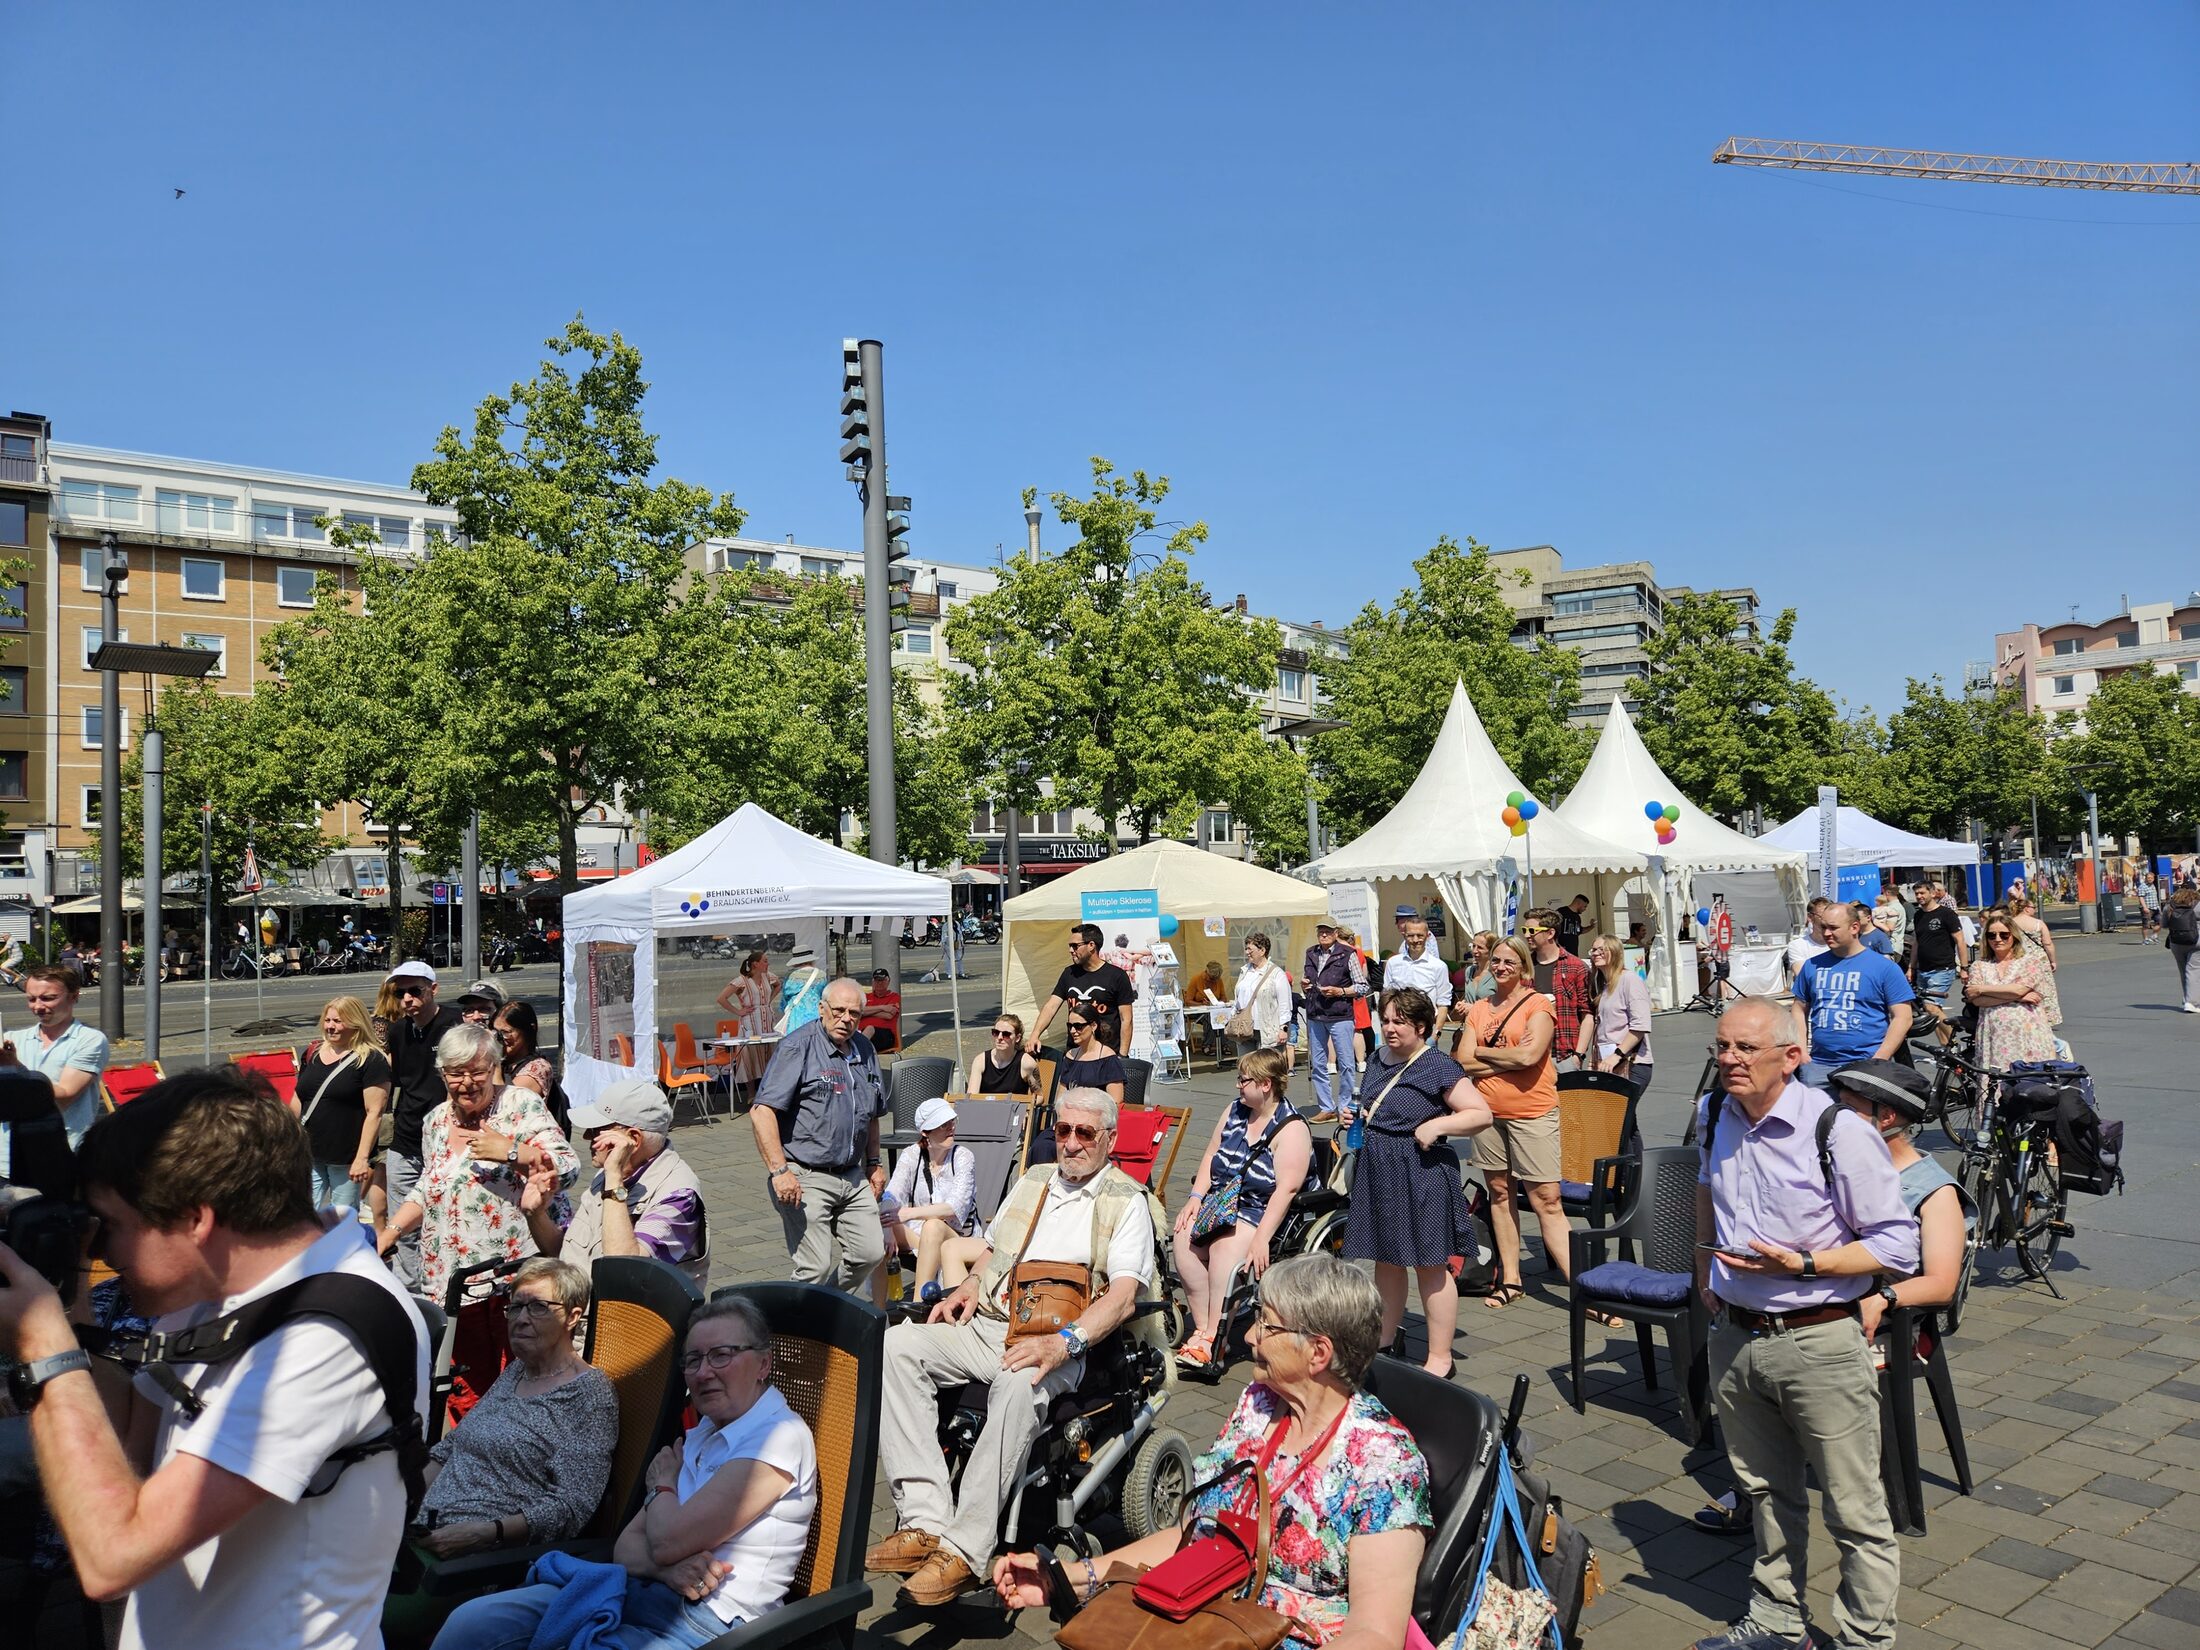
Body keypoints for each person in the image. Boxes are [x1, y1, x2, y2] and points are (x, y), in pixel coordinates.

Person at [0, 1067, 429, 1650]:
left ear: (196, 1219)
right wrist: (67, 1289)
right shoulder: (235, 1285)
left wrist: (41, 1343)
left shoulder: (325, 1336)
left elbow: (111, 1557)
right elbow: (127, 1443)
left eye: (113, 1228)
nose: (103, 1249)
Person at [992, 1255, 1429, 1649]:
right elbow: (1192, 1536)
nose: (1252, 1335)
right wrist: (1075, 1577)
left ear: (1318, 1352)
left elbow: (1375, 1632)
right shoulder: (1259, 1406)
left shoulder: (1384, 1464)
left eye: (1268, 1324)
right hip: (1203, 1616)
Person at [868, 1088, 1156, 1607]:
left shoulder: (1126, 1202)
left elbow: (1123, 1296)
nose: (1069, 1143)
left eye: (1084, 1133)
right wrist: (970, 1285)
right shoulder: (1033, 1180)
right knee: (898, 1344)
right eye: (1062, 1131)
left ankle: (963, 1549)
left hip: (1056, 1339)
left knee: (1019, 1383)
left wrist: (1062, 1343)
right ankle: (925, 1521)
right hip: (991, 1323)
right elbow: (992, 1254)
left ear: (1109, 1140)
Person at [1692, 998, 1918, 1650]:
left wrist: (1806, 1261)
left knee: (1855, 1510)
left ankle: (1864, 1641)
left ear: (1791, 1058)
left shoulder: (1839, 1131)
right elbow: (1707, 1186)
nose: (1728, 1060)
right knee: (1764, 1493)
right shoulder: (1713, 1115)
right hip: (1735, 1336)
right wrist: (1702, 1270)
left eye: (1744, 1049)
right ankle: (1776, 1622)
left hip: (1819, 1337)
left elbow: (1898, 1247)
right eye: (1721, 1047)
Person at [430, 1295, 817, 1650]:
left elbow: (666, 1542)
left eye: (721, 1355)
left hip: (712, 1623)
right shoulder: (704, 1430)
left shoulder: (777, 1438)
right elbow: (627, 1549)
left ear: (764, 1363)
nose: (703, 1373)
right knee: (472, 1624)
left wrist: (663, 1486)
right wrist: (664, 1570)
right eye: (693, 1360)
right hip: (643, 1590)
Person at [384, 1257, 619, 1642]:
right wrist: (401, 1499)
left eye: (538, 1307)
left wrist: (483, 1533)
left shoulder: (590, 1396)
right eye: (516, 1305)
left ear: (573, 1316)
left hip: (471, 1562)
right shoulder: (517, 1372)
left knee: (353, 1612)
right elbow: (451, 1448)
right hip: (418, 1534)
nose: (520, 1318)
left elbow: (571, 1507)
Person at [379, 1024, 578, 1417]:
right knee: (464, 1391)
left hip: (508, 1280)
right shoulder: (435, 1121)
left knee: (519, 1386)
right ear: (442, 1074)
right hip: (452, 1281)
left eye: (477, 1072)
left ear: (495, 1068)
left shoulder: (518, 1105)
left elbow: (568, 1167)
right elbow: (429, 1186)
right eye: (455, 1072)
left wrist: (511, 1151)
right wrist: (391, 1231)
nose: (466, 1083)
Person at [1340, 988, 1493, 1378]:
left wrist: (1438, 1123)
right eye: (1385, 1020)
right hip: (1380, 1168)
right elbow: (1375, 1104)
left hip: (1421, 1170)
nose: (1389, 1029)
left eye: (1399, 1022)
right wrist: (1356, 1116)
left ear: (1421, 1026)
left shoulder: (1438, 1065)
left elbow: (1480, 1114)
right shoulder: (1376, 1058)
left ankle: (1441, 1358)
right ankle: (1386, 1340)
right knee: (1387, 1261)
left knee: (1430, 1265)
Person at [1172, 1047, 1312, 1370]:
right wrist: (1195, 1198)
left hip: (1259, 1207)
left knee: (1223, 1251)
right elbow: (1210, 1156)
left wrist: (1262, 1238)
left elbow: (1286, 1189)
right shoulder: (1234, 1111)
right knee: (1182, 1239)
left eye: (1243, 1079)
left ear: (1265, 1085)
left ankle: (1212, 1341)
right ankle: (1206, 1327)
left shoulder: (1290, 1128)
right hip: (1224, 1200)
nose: (1237, 1085)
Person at [750, 977, 889, 1295]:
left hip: (852, 1176)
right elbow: (762, 1111)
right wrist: (779, 1171)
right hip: (805, 1174)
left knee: (869, 1254)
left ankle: (822, 1311)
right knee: (814, 1266)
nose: (846, 1019)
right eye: (838, 1010)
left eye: (854, 1013)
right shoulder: (798, 1046)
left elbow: (872, 1112)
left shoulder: (865, 1049)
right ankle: (793, 1333)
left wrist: (874, 1162)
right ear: (821, 1008)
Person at [1455, 937, 1568, 1311]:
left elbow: (1531, 1055)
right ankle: (1511, 1280)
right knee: (1500, 1194)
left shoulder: (1538, 1004)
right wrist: (1510, 1058)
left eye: (1509, 961)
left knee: (1546, 1201)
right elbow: (1462, 1060)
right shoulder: (1480, 1010)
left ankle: (1588, 1291)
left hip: (1532, 1112)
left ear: (1523, 966)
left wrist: (1485, 1053)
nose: (1501, 967)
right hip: (1486, 1113)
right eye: (1497, 961)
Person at [1826, 1062, 1975, 1346]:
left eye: (1848, 1108)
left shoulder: (1934, 1192)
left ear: (1886, 1117)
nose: (1835, 1117)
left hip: (1880, 1327)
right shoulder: (1836, 1163)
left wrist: (1884, 1299)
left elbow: (1942, 1285)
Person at [527, 1078, 709, 1288]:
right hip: (581, 1311)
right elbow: (566, 1253)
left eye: (596, 1130)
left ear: (633, 1139)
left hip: (626, 1319)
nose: (586, 1137)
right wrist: (536, 1214)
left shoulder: (679, 1196)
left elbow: (625, 1271)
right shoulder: (610, 1175)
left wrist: (614, 1179)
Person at [385, 960, 466, 1289]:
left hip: (444, 1139)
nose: (406, 998)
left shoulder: (453, 1026)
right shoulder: (397, 1030)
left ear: (433, 990)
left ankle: (444, 1287)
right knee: (402, 1222)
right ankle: (407, 1289)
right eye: (400, 992)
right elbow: (400, 1081)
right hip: (405, 1138)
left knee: (445, 1218)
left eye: (415, 991)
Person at [0, 962, 110, 1175]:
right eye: (31, 999)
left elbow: (65, 1095)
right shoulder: (13, 1039)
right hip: (7, 1159)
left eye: (48, 998)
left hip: (59, 1157)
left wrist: (16, 1068)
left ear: (73, 997)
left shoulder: (90, 1040)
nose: (38, 1006)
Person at [1792, 901, 1915, 1077]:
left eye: (1833, 928)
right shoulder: (1812, 966)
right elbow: (1798, 1008)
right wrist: (1801, 1050)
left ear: (1854, 927)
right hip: (1818, 1065)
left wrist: (1880, 1057)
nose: (1827, 933)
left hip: (1866, 1065)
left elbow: (1903, 1017)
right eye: (1824, 927)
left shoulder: (1884, 967)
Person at [296, 994, 392, 1214]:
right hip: (309, 1153)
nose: (331, 1026)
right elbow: (298, 1099)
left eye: (338, 1021)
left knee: (340, 1221)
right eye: (328, 1020)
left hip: (346, 1158)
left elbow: (374, 1112)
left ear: (356, 1023)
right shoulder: (313, 1054)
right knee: (300, 1218)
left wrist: (362, 1159)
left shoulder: (371, 1060)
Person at [882, 1097, 980, 1302]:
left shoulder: (963, 1157)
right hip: (921, 1236)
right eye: (943, 1124)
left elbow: (954, 1207)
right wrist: (887, 1229)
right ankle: (879, 1309)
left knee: (933, 1226)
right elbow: (891, 1194)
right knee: (878, 1225)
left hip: (957, 1238)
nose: (951, 1127)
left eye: (952, 1121)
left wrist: (909, 1213)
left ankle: (919, 1302)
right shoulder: (912, 1155)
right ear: (925, 1132)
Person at [1962, 912, 2060, 1069]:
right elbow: (1977, 1000)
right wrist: (2018, 998)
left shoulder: (2030, 962)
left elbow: (2019, 989)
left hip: (2028, 1033)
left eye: (2004, 934)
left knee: (2030, 1083)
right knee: (1997, 1082)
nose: (1998, 939)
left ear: (2014, 936)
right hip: (1993, 1035)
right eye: (1991, 935)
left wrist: (1982, 989)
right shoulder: (1980, 965)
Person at [1029, 922, 1136, 1054]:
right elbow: (1051, 1007)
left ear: (1091, 946)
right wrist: (1035, 1034)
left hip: (1106, 1055)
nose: (1071, 950)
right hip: (1075, 1055)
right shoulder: (1069, 974)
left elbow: (1127, 1019)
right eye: (1070, 946)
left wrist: (1123, 1056)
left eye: (1075, 946)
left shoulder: (1117, 976)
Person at [1300, 920, 1366, 1125]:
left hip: (1340, 1015)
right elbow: (1308, 981)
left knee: (1346, 1064)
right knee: (1319, 1065)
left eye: (1328, 931)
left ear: (1336, 933)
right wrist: (1305, 985)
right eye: (1321, 931)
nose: (1324, 934)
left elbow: (1362, 987)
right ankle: (1326, 1107)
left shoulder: (1348, 954)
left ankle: (1345, 1107)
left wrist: (1340, 992)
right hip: (1315, 1014)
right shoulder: (1311, 953)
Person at [1580, 930, 1654, 1099]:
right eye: (1593, 950)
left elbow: (1640, 1025)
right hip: (1607, 1063)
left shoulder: (1630, 980)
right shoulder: (1602, 985)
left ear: (1614, 952)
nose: (1596, 953)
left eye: (1601, 949)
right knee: (1621, 1121)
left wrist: (1617, 1056)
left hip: (1631, 1062)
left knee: (1620, 1117)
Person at [1522, 908, 1593, 1071]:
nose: (1526, 935)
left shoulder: (1576, 967)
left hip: (1563, 1056)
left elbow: (1587, 1015)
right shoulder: (1524, 967)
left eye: (1532, 930)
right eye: (1524, 930)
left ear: (1550, 933)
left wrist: (1578, 1055)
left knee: (1566, 1097)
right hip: (1530, 1054)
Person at [714, 948, 779, 1086]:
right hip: (750, 1021)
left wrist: (769, 1001)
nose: (768, 964)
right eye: (765, 961)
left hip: (767, 1019)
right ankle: (751, 1092)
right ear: (755, 964)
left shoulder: (768, 976)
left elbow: (778, 985)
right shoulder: (742, 981)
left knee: (769, 1051)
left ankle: (768, 1088)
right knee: (749, 1054)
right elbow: (721, 998)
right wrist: (738, 1011)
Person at [1231, 930, 1295, 1062]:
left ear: (1262, 951)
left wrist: (1283, 1028)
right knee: (1246, 1066)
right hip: (1244, 1028)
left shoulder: (1277, 974)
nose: (1246, 952)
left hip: (1267, 1029)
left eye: (1250, 949)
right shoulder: (1245, 971)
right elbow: (1238, 998)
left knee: (1266, 1068)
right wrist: (1233, 1016)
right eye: (1246, 948)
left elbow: (1285, 1004)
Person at [2002, 888, 2062, 1025]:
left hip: (2019, 957)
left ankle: (2024, 1014)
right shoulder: (2038, 923)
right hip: (2038, 959)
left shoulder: (2010, 923)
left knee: (2022, 987)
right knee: (2044, 987)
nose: (2034, 909)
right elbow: (2048, 943)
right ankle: (2047, 1017)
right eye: (2032, 907)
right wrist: (2053, 960)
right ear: (2026, 909)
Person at [1379, 914, 1450, 1022]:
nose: (1415, 940)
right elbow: (1386, 996)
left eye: (1420, 935)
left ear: (1427, 936)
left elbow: (1443, 1003)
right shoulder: (1393, 963)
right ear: (1404, 935)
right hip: (1399, 1024)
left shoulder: (1439, 967)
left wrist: (1436, 1034)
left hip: (1426, 1025)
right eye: (1410, 936)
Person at [1909, 881, 1969, 1010]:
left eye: (1922, 893)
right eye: (1917, 893)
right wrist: (1911, 967)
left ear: (1932, 893)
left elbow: (1960, 940)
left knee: (1931, 1007)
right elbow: (1917, 942)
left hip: (1942, 969)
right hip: (1923, 969)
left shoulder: (1946, 914)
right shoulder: (1918, 915)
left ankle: (1951, 1029)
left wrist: (1964, 968)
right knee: (1929, 1010)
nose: (1919, 896)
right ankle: (1949, 1030)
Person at [1057, 1007, 1128, 1107]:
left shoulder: (1108, 1058)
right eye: (1070, 1026)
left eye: (1078, 1026)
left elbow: (1115, 1102)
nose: (1072, 1031)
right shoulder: (1070, 1056)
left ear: (1093, 1026)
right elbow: (1060, 1098)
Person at [968, 1012, 1040, 1095]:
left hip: (1014, 1107)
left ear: (1017, 1038)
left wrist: (1022, 1105)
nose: (999, 1037)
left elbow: (1039, 1096)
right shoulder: (980, 1060)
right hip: (986, 1106)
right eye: (996, 1032)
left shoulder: (1027, 1063)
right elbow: (971, 1097)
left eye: (1006, 1034)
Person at [2165, 883, 2200, 1012]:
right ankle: (2192, 1002)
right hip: (2196, 941)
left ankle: (2186, 998)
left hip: (2176, 942)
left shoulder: (2170, 906)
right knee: (2194, 971)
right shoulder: (2198, 904)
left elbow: (2164, 924)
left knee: (2183, 971)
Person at [1186, 960, 1231, 1060]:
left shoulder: (1218, 981)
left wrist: (1219, 1003)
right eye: (1211, 978)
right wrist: (1201, 1004)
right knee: (1210, 1017)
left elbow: (1224, 997)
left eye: (1215, 979)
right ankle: (1207, 1045)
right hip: (1198, 1012)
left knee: (1223, 1015)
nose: (1212, 981)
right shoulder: (1196, 979)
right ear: (1206, 972)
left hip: (1213, 1009)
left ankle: (1224, 1044)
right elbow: (1188, 1001)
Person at [859, 966, 902, 1055]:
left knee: (870, 1028)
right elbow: (860, 1011)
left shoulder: (894, 997)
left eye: (882, 980)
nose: (879, 983)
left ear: (888, 981)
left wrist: (868, 1012)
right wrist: (882, 1008)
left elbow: (889, 1015)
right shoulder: (866, 997)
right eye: (877, 980)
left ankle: (857, 1053)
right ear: (873, 982)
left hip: (886, 1036)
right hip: (862, 1033)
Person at [1872, 886, 1907, 955]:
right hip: (1894, 946)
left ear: (1887, 892)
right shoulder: (1895, 906)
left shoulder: (1892, 908)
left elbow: (1890, 927)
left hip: (1891, 947)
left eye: (1882, 893)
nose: (1881, 895)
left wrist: (1875, 921)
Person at [1555, 892, 1590, 956]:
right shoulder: (1561, 912)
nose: (1585, 909)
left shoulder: (1577, 917)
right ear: (1579, 903)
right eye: (1585, 906)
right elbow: (1553, 929)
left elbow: (1580, 931)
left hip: (1573, 954)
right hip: (1561, 953)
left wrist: (1592, 926)